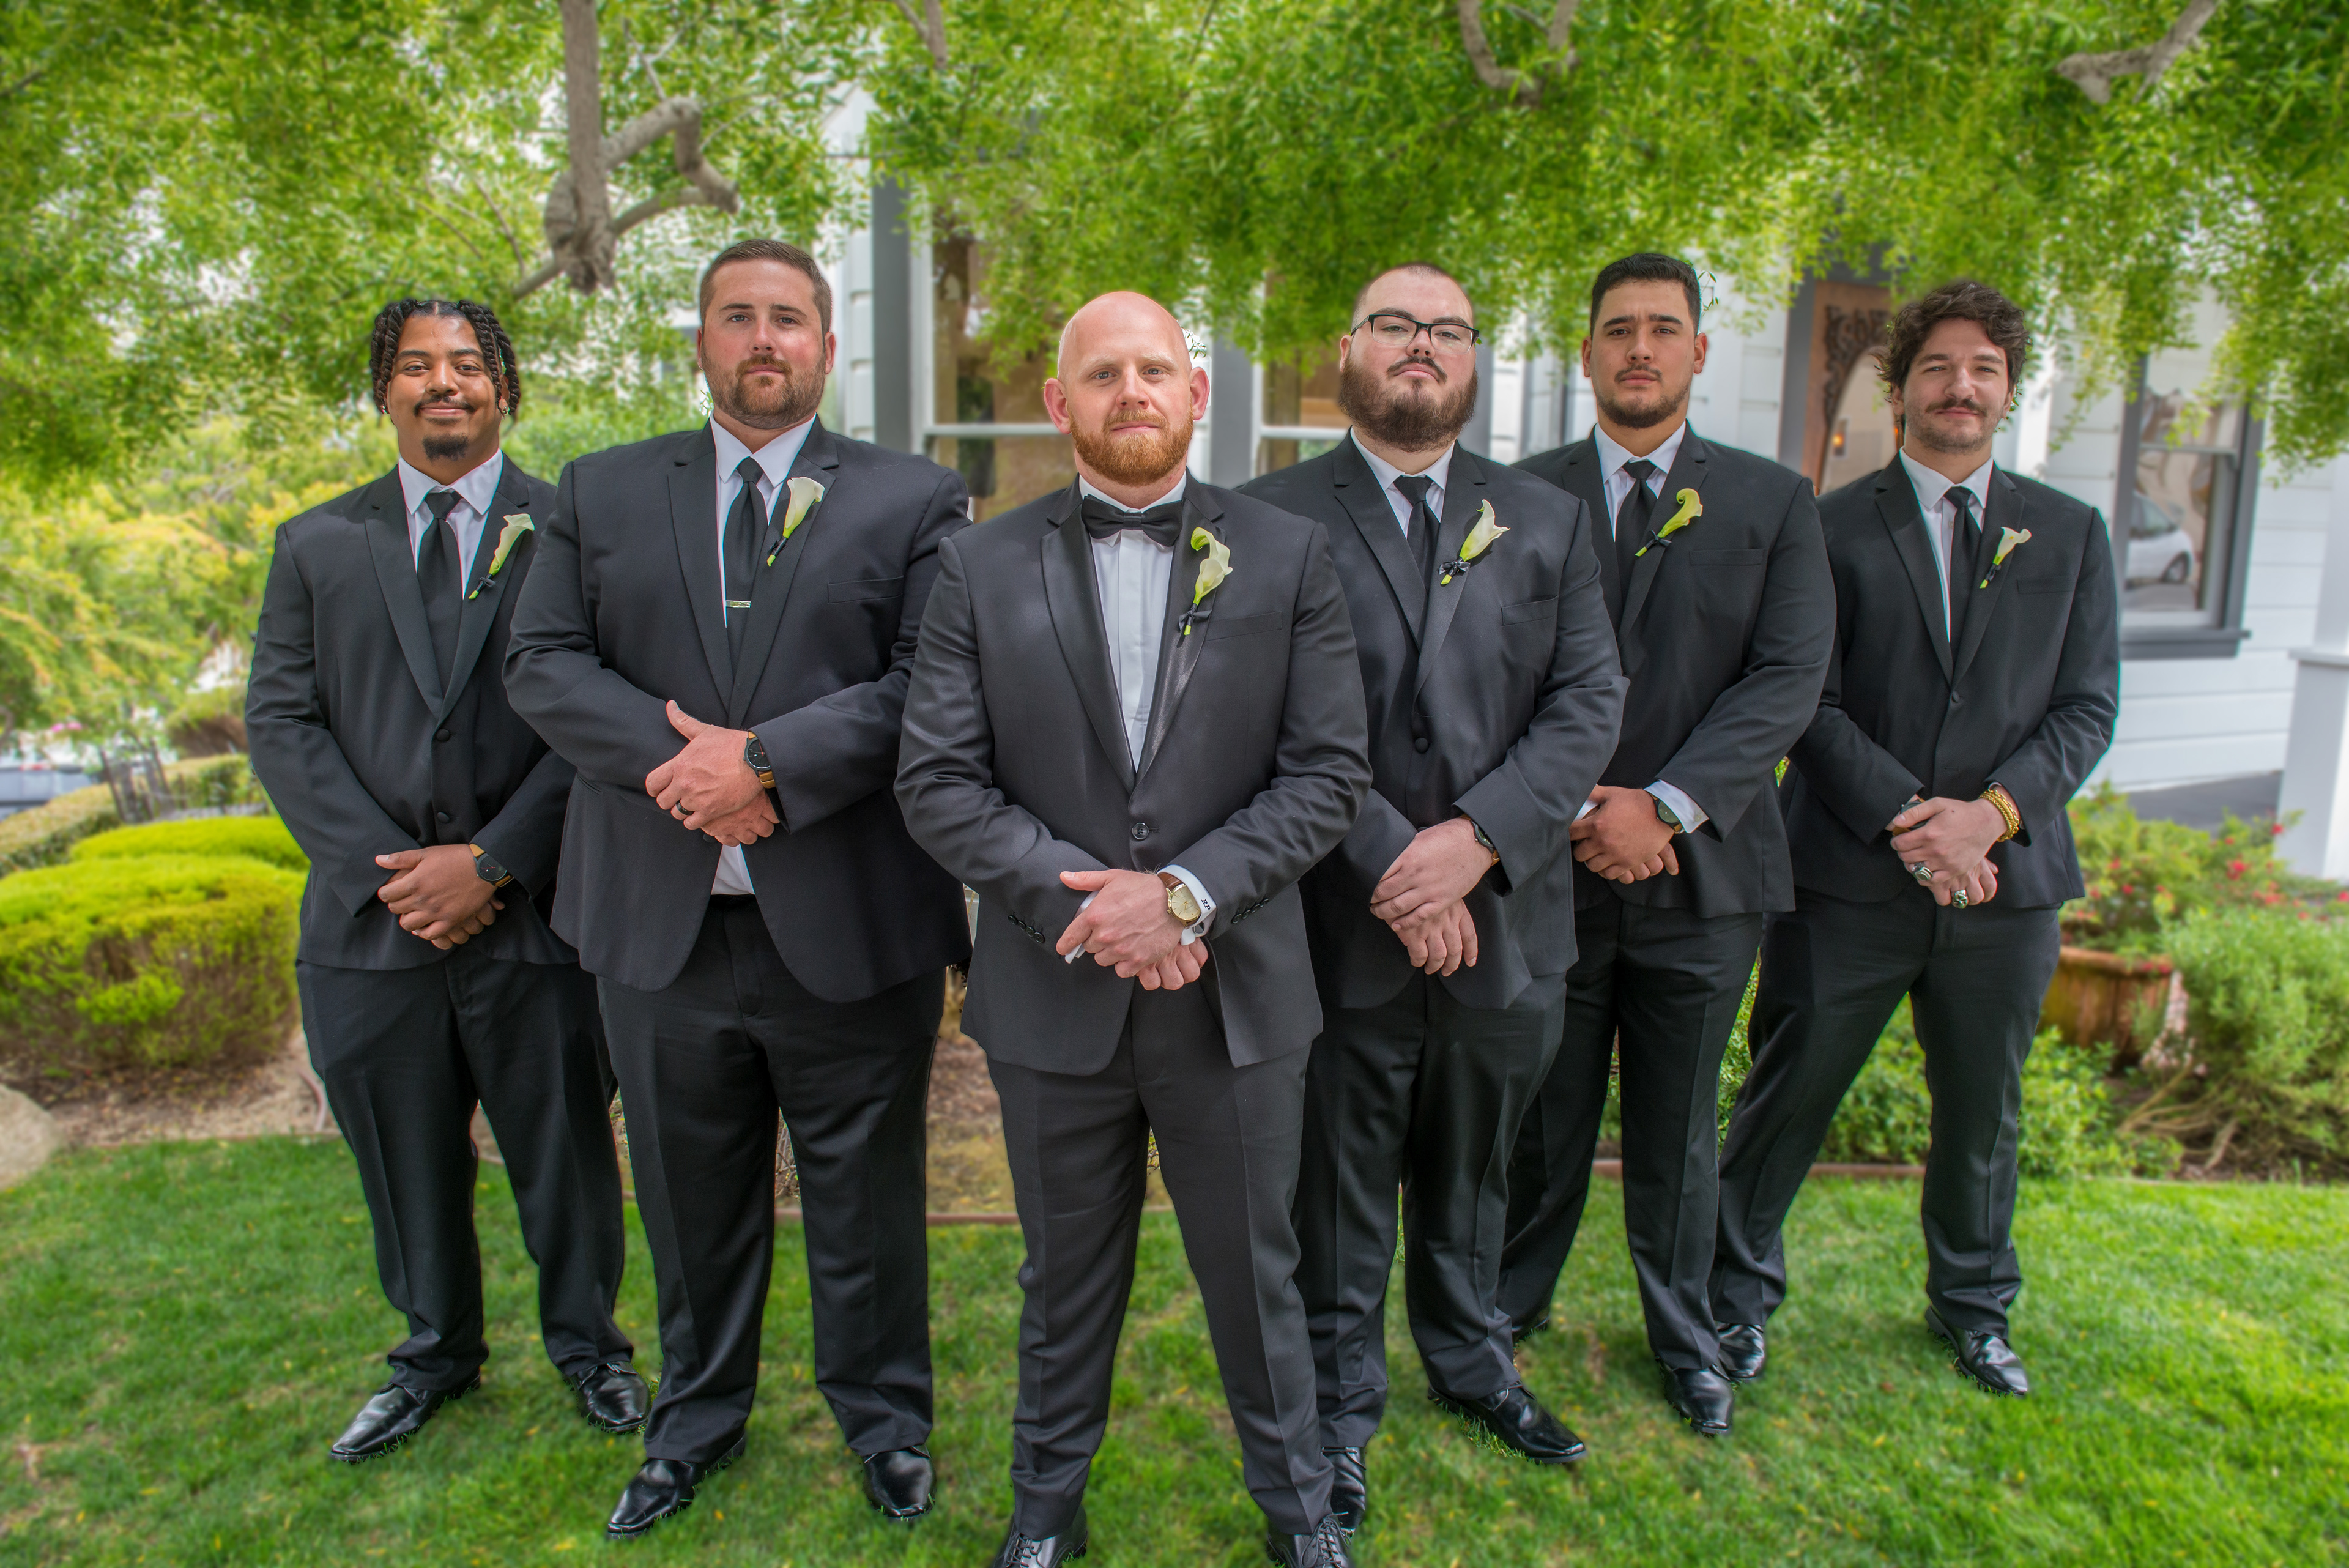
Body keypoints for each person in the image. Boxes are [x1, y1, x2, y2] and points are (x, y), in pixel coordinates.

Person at [503, 240, 973, 1536]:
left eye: (789, 318)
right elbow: (542, 663)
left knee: (867, 1204)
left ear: (828, 346)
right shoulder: (599, 493)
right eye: (737, 317)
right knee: (689, 1198)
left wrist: (766, 763)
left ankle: (886, 1421)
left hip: (851, 920)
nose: (763, 339)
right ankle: (695, 1421)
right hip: (657, 926)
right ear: (701, 340)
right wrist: (691, 769)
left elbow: (934, 680)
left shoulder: (913, 495)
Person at [896, 291, 1372, 1568]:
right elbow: (938, 781)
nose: (1131, 392)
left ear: (1197, 392)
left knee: (1258, 1276)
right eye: (1100, 373)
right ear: (1058, 404)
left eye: (1154, 368)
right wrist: (1090, 902)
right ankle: (1045, 1512)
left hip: (1239, 995)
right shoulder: (976, 567)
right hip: (1055, 999)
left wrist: (1183, 895)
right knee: (1062, 1280)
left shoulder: (1286, 557)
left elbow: (1327, 773)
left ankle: (1299, 1515)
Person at [1239, 262, 1624, 1523]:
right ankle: (1341, 1412)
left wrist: (1480, 842)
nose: (1421, 347)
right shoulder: (1267, 515)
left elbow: (1588, 703)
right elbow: (1264, 721)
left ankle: (1472, 1360)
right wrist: (1405, 866)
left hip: (1509, 917)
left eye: (1447, 330)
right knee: (1337, 1192)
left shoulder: (1548, 518)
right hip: (1339, 922)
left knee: (1477, 1173)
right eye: (1396, 326)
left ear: (1473, 359)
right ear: (1347, 350)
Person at [246, 297, 644, 1462]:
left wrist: (495, 862)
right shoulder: (316, 544)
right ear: (385, 393)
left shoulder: (575, 529)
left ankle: (590, 1350)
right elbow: (280, 722)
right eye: (415, 367)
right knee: (402, 1160)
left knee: (566, 1156)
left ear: (503, 389)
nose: (443, 383)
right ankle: (433, 1354)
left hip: (537, 920)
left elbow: (604, 722)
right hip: (370, 936)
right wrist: (394, 878)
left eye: (467, 364)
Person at [1712, 278, 2119, 1399]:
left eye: (1984, 367)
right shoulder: (1828, 525)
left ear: (2007, 387)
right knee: (1786, 1099)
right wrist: (1910, 817)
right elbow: (1805, 697)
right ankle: (1732, 1302)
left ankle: (1975, 1309)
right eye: (1939, 366)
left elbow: (2088, 707)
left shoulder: (2072, 533)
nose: (1961, 386)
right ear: (1902, 390)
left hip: (2008, 885)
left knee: (1984, 1115)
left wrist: (1987, 818)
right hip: (1850, 875)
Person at [1498, 253, 1835, 1437]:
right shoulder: (1517, 498)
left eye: (1664, 330)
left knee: (1681, 1129)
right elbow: (1489, 677)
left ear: (1698, 353)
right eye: (1618, 330)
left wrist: (1668, 804)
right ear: (1585, 355)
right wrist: (1583, 810)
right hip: (1551, 869)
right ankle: (1504, 1309)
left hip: (1707, 874)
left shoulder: (1774, 504)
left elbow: (1788, 678)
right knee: (1541, 1113)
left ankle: (1686, 1339)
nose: (1640, 348)